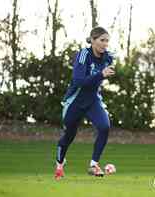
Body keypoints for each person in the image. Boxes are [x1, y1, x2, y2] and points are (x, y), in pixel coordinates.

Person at [54, 26, 115, 180]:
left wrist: (104, 74)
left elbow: (100, 77)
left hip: (93, 100)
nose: (105, 44)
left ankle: (94, 165)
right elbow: (79, 81)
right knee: (69, 136)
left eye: (107, 41)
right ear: (93, 40)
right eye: (102, 40)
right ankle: (59, 164)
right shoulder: (83, 54)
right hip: (75, 101)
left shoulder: (107, 58)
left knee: (105, 126)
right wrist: (100, 74)